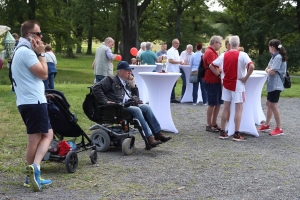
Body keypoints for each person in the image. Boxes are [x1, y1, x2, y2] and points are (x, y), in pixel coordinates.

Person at [11, 20, 53, 192]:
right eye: (38, 33)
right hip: (34, 102)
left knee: (46, 134)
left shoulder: (19, 51)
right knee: (37, 139)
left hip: (27, 101)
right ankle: (34, 170)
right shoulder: (27, 52)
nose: (41, 37)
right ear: (29, 36)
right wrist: (41, 54)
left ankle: (33, 174)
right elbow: (44, 74)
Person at [92, 61, 172, 147]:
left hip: (129, 104)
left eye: (130, 70)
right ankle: (149, 138)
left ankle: (158, 134)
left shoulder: (127, 81)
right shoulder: (110, 79)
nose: (130, 72)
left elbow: (136, 97)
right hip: (118, 107)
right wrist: (105, 101)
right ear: (120, 71)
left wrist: (133, 84)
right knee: (137, 110)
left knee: (146, 107)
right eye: (127, 71)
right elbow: (96, 88)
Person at [209, 35, 255, 141]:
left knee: (226, 107)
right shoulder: (243, 55)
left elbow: (211, 65)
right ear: (238, 44)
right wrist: (245, 78)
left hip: (226, 84)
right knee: (239, 108)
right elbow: (251, 66)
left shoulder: (224, 55)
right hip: (238, 84)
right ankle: (237, 133)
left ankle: (223, 132)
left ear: (229, 44)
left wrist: (219, 75)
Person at [257, 39, 287, 136]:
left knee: (273, 105)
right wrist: (269, 69)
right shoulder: (274, 57)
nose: (268, 48)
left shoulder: (278, 57)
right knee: (269, 103)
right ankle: (266, 124)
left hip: (276, 85)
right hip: (272, 84)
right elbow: (268, 68)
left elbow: (272, 71)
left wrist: (269, 69)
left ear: (272, 47)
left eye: (269, 47)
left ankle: (279, 128)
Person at [203, 35, 223, 132]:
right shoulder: (210, 52)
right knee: (211, 103)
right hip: (212, 80)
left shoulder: (212, 52)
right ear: (214, 43)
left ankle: (214, 122)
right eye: (220, 43)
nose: (221, 45)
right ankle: (208, 124)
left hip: (215, 80)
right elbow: (212, 66)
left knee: (218, 102)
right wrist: (219, 75)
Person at [167, 38, 182, 103]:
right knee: (171, 84)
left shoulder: (176, 51)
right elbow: (170, 60)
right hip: (171, 70)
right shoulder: (171, 51)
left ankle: (172, 97)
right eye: (176, 43)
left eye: (178, 43)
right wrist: (179, 62)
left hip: (175, 70)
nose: (177, 44)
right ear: (173, 43)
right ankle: (171, 97)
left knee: (174, 84)